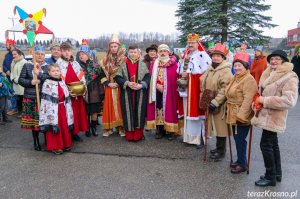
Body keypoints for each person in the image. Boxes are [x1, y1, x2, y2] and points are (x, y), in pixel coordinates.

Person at [251, 50, 298, 187]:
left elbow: (289, 100)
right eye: (272, 59)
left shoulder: (290, 76)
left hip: (274, 117)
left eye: (277, 59)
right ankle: (277, 174)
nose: (274, 61)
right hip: (267, 116)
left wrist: (264, 100)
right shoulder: (270, 72)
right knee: (273, 145)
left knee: (265, 145)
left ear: (283, 60)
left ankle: (270, 176)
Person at [177, 33, 211, 148]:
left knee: (198, 114)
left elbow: (204, 74)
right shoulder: (186, 54)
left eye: (193, 43)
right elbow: (180, 69)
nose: (190, 44)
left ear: (198, 43)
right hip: (186, 89)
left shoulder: (203, 56)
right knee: (188, 113)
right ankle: (189, 137)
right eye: (189, 43)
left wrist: (190, 75)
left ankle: (200, 139)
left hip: (196, 89)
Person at [200, 43, 233, 161]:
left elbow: (225, 89)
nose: (216, 58)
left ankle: (221, 150)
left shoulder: (226, 71)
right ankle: (218, 148)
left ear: (223, 58)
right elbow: (202, 81)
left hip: (220, 103)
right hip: (209, 99)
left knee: (221, 128)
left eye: (219, 56)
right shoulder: (210, 69)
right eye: (214, 55)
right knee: (212, 125)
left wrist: (216, 101)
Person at [225, 52, 258, 173]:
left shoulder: (249, 79)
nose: (237, 68)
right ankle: (240, 160)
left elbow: (248, 100)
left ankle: (242, 164)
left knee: (240, 139)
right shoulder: (236, 77)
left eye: (240, 66)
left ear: (246, 67)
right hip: (233, 112)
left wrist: (241, 116)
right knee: (237, 138)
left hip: (241, 115)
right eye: (235, 65)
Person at [114, 45, 151, 141]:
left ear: (138, 53)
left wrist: (141, 85)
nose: (133, 54)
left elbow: (147, 77)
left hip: (140, 93)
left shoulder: (143, 64)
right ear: (128, 53)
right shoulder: (123, 64)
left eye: (135, 52)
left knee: (140, 113)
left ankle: (138, 134)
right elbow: (118, 77)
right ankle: (130, 135)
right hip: (127, 93)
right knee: (127, 113)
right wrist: (127, 83)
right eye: (131, 52)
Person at [56, 42, 89, 142]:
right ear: (61, 52)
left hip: (78, 93)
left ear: (71, 51)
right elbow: (59, 80)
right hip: (67, 94)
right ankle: (69, 133)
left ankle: (76, 132)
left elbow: (81, 75)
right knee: (69, 114)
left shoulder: (75, 63)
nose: (67, 53)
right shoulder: (58, 64)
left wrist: (83, 87)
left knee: (78, 113)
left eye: (68, 51)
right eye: (64, 51)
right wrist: (67, 91)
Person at [18, 45, 49, 151]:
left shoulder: (46, 66)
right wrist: (31, 82)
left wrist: (39, 74)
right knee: (34, 122)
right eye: (38, 54)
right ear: (33, 54)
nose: (40, 56)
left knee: (45, 120)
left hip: (44, 97)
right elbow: (20, 80)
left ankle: (47, 140)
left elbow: (48, 79)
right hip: (31, 97)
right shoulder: (27, 66)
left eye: (42, 54)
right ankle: (36, 142)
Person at [147, 44, 179, 140]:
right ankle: (159, 130)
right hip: (156, 91)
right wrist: (156, 85)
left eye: (165, 51)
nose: (163, 53)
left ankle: (170, 131)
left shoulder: (173, 63)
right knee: (158, 108)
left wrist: (166, 87)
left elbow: (175, 79)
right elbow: (151, 77)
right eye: (161, 51)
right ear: (158, 53)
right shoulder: (154, 63)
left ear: (168, 52)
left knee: (170, 109)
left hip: (170, 92)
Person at [39, 64, 73, 155]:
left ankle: (65, 143)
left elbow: (64, 93)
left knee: (63, 126)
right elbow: (46, 98)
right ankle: (56, 146)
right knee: (55, 126)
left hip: (63, 107)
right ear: (49, 73)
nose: (56, 72)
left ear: (60, 72)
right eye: (53, 71)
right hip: (52, 108)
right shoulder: (47, 82)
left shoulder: (62, 81)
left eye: (57, 71)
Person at [99, 34, 125, 137]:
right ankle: (108, 128)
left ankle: (121, 128)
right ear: (109, 47)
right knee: (108, 107)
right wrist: (108, 83)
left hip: (120, 86)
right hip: (109, 86)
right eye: (111, 46)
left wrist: (119, 82)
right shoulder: (105, 59)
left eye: (115, 46)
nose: (113, 48)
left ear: (118, 46)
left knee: (120, 107)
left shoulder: (124, 59)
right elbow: (100, 74)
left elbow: (125, 73)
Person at [78, 45, 103, 137]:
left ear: (88, 55)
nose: (81, 56)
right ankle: (87, 128)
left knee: (93, 112)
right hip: (83, 91)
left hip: (93, 91)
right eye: (80, 54)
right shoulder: (77, 66)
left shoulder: (95, 65)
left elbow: (100, 79)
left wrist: (101, 92)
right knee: (85, 112)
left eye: (83, 54)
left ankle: (94, 128)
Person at [10, 49, 27, 118]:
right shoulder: (13, 62)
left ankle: (24, 113)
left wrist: (16, 80)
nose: (13, 56)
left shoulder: (24, 62)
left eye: (15, 54)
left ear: (19, 54)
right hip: (15, 83)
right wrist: (12, 78)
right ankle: (19, 111)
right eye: (13, 54)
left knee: (23, 98)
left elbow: (23, 74)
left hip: (21, 83)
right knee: (18, 98)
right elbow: (12, 72)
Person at [3, 39, 18, 116]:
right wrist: (6, 71)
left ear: (11, 45)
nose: (6, 46)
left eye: (7, 44)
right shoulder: (6, 55)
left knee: (15, 93)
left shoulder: (18, 53)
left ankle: (15, 108)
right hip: (8, 77)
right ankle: (13, 108)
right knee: (11, 93)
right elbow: (4, 65)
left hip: (15, 77)